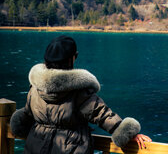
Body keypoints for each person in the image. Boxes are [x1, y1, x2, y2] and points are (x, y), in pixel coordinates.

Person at [10, 35, 151, 153]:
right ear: (73, 58)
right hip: (71, 148)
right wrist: (128, 133)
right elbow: (102, 114)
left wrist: (16, 126)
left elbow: (27, 116)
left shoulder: (35, 88)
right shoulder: (79, 91)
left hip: (36, 148)